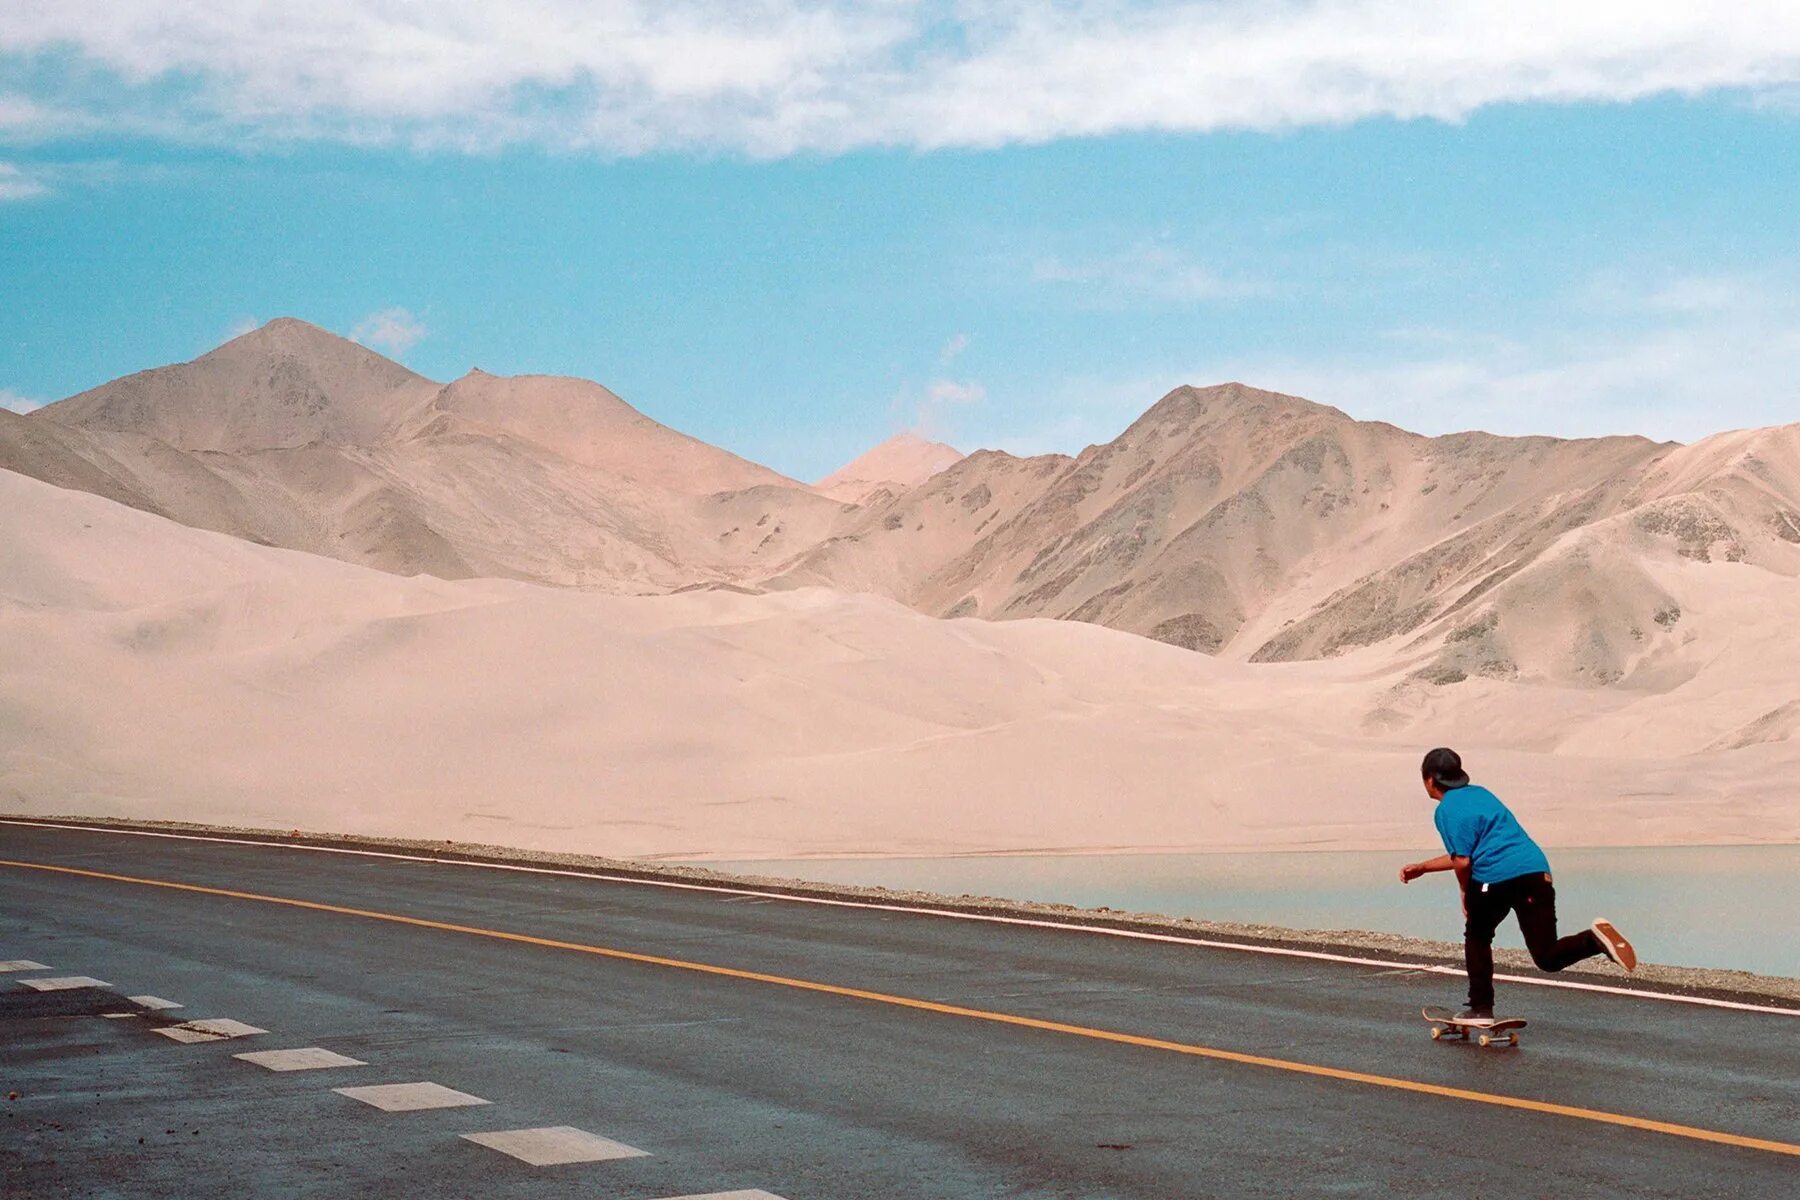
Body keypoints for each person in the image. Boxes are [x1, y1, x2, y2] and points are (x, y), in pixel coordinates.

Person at [1398, 747, 1636, 1022]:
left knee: (1477, 935)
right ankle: (1594, 940)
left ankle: (1480, 1008)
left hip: (1496, 878)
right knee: (1547, 956)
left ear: (1429, 780)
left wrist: (1465, 891)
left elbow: (1463, 862)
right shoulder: (1482, 794)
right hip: (1535, 872)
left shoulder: (1446, 810)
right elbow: (1473, 850)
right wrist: (1424, 867)